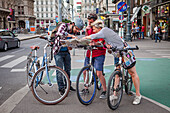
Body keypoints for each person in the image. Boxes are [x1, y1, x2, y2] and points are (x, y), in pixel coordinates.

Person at [83, 20, 142, 105]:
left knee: (132, 73)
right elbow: (108, 48)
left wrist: (82, 38)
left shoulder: (104, 30)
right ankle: (114, 94)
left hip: (124, 51)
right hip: (117, 53)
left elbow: (93, 36)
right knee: (117, 73)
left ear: (99, 27)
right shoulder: (104, 36)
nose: (93, 30)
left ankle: (138, 95)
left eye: (94, 28)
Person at [52, 20, 84, 95]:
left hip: (66, 52)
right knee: (60, 71)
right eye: (76, 29)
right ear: (73, 24)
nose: (76, 31)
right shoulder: (63, 25)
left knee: (68, 70)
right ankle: (61, 88)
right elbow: (60, 33)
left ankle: (68, 86)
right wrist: (71, 36)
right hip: (58, 52)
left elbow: (69, 43)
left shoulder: (72, 31)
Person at [81, 13, 107, 99]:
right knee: (85, 71)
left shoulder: (100, 29)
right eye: (88, 22)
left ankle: (104, 90)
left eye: (90, 22)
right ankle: (86, 87)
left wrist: (95, 43)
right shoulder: (89, 29)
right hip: (90, 52)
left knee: (99, 73)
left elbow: (101, 41)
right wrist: (86, 31)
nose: (89, 24)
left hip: (99, 53)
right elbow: (87, 38)